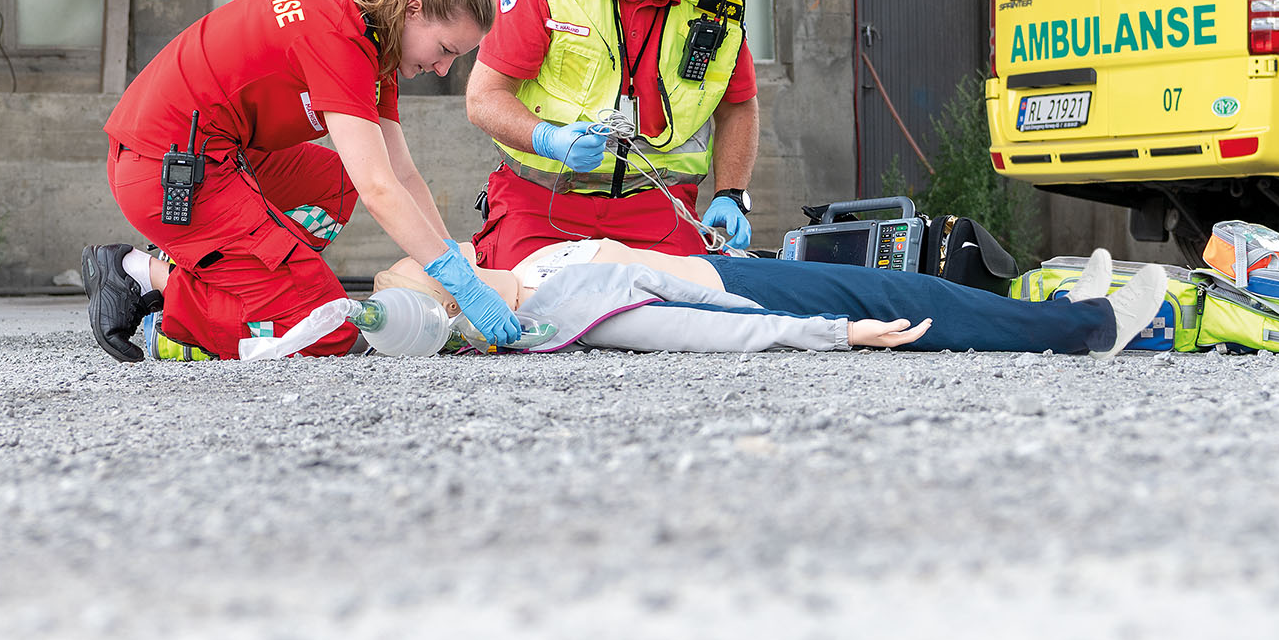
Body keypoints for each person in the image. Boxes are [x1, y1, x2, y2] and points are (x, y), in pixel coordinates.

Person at [81, 0, 523, 362]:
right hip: (167, 168)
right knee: (325, 327)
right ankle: (146, 278)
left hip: (212, 155)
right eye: (445, 49)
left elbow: (400, 173)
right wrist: (462, 284)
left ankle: (245, 280)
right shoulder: (341, 41)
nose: (444, 68)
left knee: (334, 186)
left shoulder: (372, 38)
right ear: (413, 10)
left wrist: (456, 267)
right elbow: (380, 188)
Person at [465, 0, 759, 270]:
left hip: (659, 207)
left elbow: (738, 106)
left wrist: (731, 193)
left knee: (687, 311)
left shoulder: (717, 1)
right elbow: (483, 98)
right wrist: (548, 138)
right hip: (541, 200)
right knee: (528, 308)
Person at [363, 242, 1169, 360]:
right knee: (902, 294)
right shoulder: (555, 312)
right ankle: (1085, 328)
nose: (461, 250)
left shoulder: (539, 271)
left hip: (733, 268)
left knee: (905, 279)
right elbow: (684, 326)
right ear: (455, 287)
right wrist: (832, 334)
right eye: (444, 262)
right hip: (743, 296)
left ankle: (1056, 310)